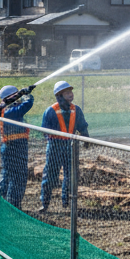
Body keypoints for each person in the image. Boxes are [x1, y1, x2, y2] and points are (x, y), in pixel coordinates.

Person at [39, 80, 89, 213]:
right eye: (67, 93)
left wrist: (86, 136)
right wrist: (51, 141)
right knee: (50, 175)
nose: (71, 95)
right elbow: (45, 130)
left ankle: (67, 201)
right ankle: (45, 203)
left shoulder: (76, 109)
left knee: (71, 175)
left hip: (71, 146)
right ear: (59, 96)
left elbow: (82, 125)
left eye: (71, 92)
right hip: (55, 146)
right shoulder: (50, 111)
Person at [0, 85, 34, 208]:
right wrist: (27, 95)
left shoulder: (6, 109)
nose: (18, 98)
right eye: (16, 95)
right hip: (15, 147)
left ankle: (2, 203)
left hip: (12, 147)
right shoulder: (9, 111)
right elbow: (27, 104)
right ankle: (13, 206)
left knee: (7, 176)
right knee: (18, 178)